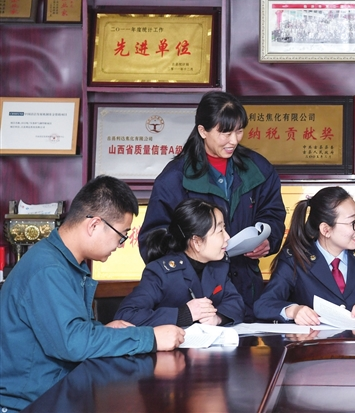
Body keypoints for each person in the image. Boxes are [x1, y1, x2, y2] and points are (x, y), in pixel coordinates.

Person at [0, 176, 185, 412]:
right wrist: (151, 338)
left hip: (52, 395)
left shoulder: (62, 262)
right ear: (94, 225)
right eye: (121, 235)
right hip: (29, 404)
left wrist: (103, 330)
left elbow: (67, 330)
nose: (120, 244)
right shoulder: (48, 269)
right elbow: (73, 343)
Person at [139, 91, 286, 322]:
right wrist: (195, 256)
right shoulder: (174, 179)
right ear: (202, 131)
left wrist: (269, 240)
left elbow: (274, 213)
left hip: (246, 289)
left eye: (239, 131)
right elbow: (152, 241)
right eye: (225, 132)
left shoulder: (259, 169)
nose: (234, 140)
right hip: (196, 297)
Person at [254, 187, 355, 325]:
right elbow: (263, 305)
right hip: (312, 339)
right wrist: (293, 310)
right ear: (326, 230)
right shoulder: (295, 259)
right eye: (353, 223)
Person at [115, 199, 245, 327]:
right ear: (196, 242)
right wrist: (183, 314)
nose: (227, 237)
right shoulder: (161, 272)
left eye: (224, 228)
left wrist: (218, 318)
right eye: (220, 231)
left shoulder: (218, 265)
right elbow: (126, 315)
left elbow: (236, 303)